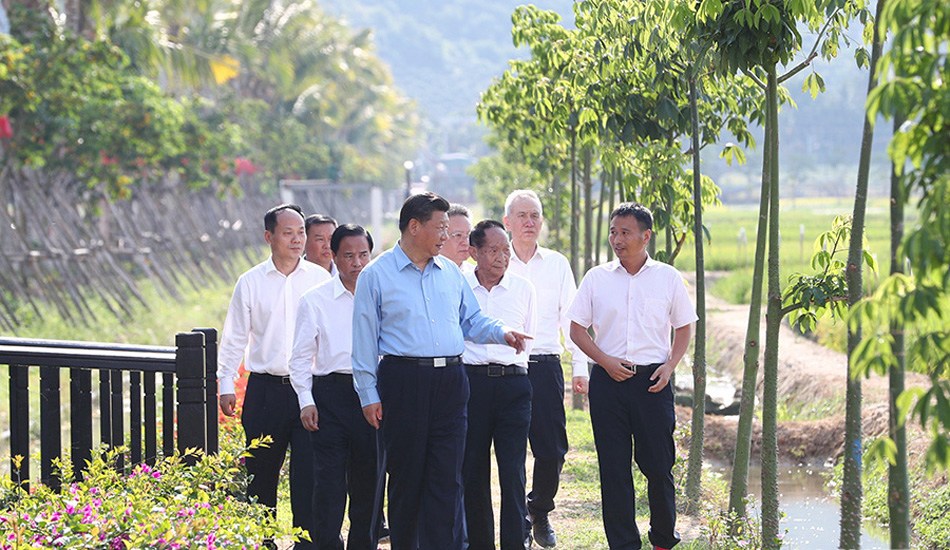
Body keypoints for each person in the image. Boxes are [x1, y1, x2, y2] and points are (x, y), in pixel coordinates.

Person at [351, 192, 531, 550]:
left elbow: (472, 320)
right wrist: (368, 395)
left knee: (447, 478)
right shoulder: (377, 276)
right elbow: (364, 342)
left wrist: (501, 332)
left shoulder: (450, 273)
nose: (447, 237)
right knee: (406, 478)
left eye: (449, 229)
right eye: (441, 228)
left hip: (451, 382)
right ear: (414, 227)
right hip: (404, 382)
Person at [567, 203, 697, 550]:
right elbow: (577, 329)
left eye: (625, 232)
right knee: (614, 469)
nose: (617, 239)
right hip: (608, 382)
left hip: (653, 382)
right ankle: (623, 544)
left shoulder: (667, 277)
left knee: (658, 465)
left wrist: (670, 366)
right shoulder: (596, 278)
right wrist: (604, 361)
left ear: (646, 236)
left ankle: (663, 540)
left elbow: (684, 326)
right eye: (613, 232)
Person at [217, 204, 332, 549]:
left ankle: (307, 543)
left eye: (301, 233)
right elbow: (235, 336)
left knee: (309, 474)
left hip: (309, 391)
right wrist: (225, 384)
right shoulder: (250, 282)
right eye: (288, 233)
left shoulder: (319, 279)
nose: (297, 240)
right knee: (261, 473)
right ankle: (260, 539)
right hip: (265, 390)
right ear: (269, 237)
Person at [502, 189, 588, 548]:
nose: (528, 221)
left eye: (534, 215)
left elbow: (572, 318)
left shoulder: (557, 264)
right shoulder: (493, 260)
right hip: (505, 368)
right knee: (510, 451)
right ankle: (516, 520)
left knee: (552, 449)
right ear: (507, 222)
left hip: (545, 364)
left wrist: (580, 366)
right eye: (521, 215)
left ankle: (539, 508)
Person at [290, 224, 379, 550]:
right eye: (349, 256)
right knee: (327, 484)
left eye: (364, 255)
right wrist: (305, 401)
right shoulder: (315, 300)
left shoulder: (383, 297)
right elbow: (299, 358)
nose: (357, 263)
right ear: (334, 257)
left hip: (372, 395)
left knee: (368, 483)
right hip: (330, 395)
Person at [461, 220, 536, 550]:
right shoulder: (460, 287)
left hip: (513, 386)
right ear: (474, 252)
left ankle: (514, 543)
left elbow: (529, 340)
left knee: (513, 469)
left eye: (506, 249)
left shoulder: (524, 289)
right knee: (472, 469)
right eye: (493, 250)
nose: (502, 256)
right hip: (471, 385)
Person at [442, 203, 474, 272]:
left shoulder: (477, 276)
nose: (466, 242)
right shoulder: (425, 274)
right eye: (458, 235)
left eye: (468, 235)